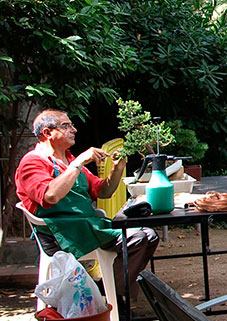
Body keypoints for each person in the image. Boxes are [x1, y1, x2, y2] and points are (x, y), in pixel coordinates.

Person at [15, 109, 159, 308]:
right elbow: (50, 195)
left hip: (87, 226)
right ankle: (112, 297)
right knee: (139, 238)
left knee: (149, 235)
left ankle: (108, 292)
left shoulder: (68, 159)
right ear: (47, 133)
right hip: (60, 233)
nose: (74, 130)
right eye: (66, 126)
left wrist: (117, 168)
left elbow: (104, 191)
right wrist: (78, 162)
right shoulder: (33, 162)